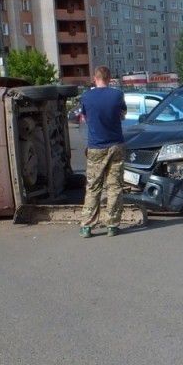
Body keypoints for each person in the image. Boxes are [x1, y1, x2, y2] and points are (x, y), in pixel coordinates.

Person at [79, 66, 128, 238]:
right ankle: (112, 225)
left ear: (95, 78)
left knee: (93, 187)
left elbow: (85, 117)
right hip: (116, 145)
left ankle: (87, 226)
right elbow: (122, 115)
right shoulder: (117, 95)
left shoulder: (86, 96)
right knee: (114, 186)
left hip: (95, 146)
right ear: (109, 78)